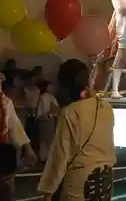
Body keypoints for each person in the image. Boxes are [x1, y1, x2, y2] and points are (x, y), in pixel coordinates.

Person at [38, 60, 116, 201]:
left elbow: (59, 157)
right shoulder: (106, 107)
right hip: (105, 178)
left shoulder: (71, 112)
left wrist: (48, 192)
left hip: (80, 183)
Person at [0, 66, 37, 200]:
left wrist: (28, 148)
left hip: (2, 161)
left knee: (6, 192)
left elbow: (15, 125)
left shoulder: (5, 102)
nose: (2, 78)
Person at [36, 79, 59, 163]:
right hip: (44, 120)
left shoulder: (52, 97)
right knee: (44, 140)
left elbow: (56, 109)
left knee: (50, 139)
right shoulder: (43, 97)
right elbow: (41, 111)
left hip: (51, 119)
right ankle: (43, 157)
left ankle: (48, 157)